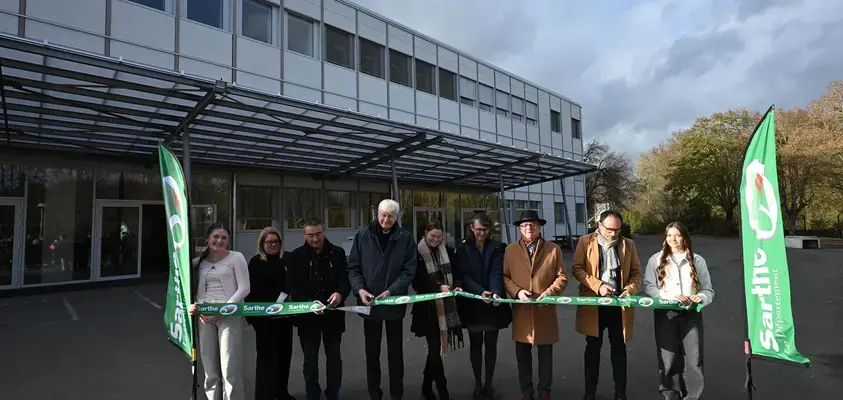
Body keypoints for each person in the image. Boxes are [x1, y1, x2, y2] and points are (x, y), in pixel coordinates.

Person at [347, 199, 417, 400]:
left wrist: (392, 291)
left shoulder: (405, 238)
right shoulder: (362, 235)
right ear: (377, 214)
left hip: (394, 304)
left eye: (391, 216)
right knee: (372, 353)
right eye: (383, 215)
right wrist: (360, 290)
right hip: (369, 304)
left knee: (396, 354)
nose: (386, 220)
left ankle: (397, 394)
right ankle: (374, 394)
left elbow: (409, 270)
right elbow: (353, 268)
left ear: (396, 218)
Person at [572, 210, 642, 400]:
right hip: (594, 304)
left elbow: (636, 273)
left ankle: (620, 393)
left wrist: (630, 289)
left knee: (619, 349)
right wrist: (598, 286)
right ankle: (589, 393)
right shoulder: (585, 241)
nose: (613, 234)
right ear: (600, 225)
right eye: (609, 229)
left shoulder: (628, 244)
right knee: (592, 349)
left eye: (617, 230)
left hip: (619, 306)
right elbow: (577, 269)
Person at [643, 222, 714, 400]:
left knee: (694, 360)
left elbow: (708, 290)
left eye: (677, 235)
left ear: (684, 237)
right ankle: (670, 395)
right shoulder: (656, 260)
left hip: (691, 315)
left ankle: (692, 396)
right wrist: (670, 297)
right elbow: (649, 287)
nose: (673, 239)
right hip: (665, 314)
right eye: (669, 236)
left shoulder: (697, 260)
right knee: (668, 359)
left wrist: (701, 298)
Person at [503, 210, 568, 400]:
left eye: (532, 225)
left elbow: (562, 277)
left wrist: (549, 293)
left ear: (539, 227)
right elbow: (505, 277)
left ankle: (544, 392)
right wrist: (517, 291)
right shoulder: (510, 250)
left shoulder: (553, 249)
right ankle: (526, 391)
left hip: (545, 309)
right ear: (519, 229)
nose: (528, 228)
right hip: (522, 310)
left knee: (545, 355)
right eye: (524, 225)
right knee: (523, 355)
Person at [286, 218, 350, 400]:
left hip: (333, 315)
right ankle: (312, 394)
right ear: (305, 235)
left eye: (318, 234)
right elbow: (292, 286)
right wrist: (308, 303)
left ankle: (333, 394)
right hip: (308, 318)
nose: (315, 239)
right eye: (311, 235)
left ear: (324, 232)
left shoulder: (337, 253)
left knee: (334, 359)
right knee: (310, 361)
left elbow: (345, 280)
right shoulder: (296, 256)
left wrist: (339, 293)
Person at [188, 223, 250, 400]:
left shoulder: (236, 258)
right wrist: (195, 306)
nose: (219, 240)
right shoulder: (196, 263)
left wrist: (223, 310)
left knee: (230, 369)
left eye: (224, 237)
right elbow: (191, 291)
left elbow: (244, 288)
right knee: (210, 370)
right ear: (207, 239)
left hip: (229, 317)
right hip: (205, 318)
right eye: (215, 236)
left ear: (229, 241)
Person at [456, 213, 512, 400]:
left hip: (493, 303)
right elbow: (464, 275)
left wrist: (495, 291)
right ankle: (478, 384)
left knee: (491, 346)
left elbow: (497, 271)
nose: (481, 233)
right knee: (475, 346)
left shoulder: (497, 247)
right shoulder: (463, 249)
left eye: (485, 230)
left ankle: (489, 384)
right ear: (472, 227)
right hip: (473, 303)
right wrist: (480, 292)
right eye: (478, 229)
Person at [410, 220, 463, 400]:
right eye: (432, 236)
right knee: (434, 350)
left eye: (439, 237)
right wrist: (438, 287)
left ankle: (426, 386)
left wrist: (456, 286)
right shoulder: (416, 253)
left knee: (434, 351)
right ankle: (443, 390)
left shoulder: (448, 251)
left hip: (446, 308)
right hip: (427, 310)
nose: (436, 240)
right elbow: (417, 282)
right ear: (425, 233)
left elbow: (457, 273)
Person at [245, 227, 295, 400]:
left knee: (284, 357)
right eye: (269, 242)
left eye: (276, 242)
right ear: (262, 244)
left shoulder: (286, 260)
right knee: (266, 359)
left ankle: (281, 393)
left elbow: (293, 284)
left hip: (284, 319)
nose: (273, 245)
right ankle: (264, 395)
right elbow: (250, 291)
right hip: (264, 320)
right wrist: (253, 318)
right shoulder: (255, 262)